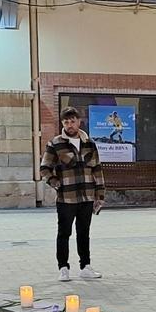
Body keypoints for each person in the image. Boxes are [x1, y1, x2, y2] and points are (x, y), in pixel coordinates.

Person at [39, 107, 106, 282]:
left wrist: (100, 195)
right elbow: (44, 168)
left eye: (72, 121)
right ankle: (63, 268)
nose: (70, 125)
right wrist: (54, 182)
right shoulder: (55, 144)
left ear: (79, 122)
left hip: (87, 196)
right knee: (64, 233)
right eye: (66, 122)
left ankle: (85, 266)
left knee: (84, 233)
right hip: (66, 197)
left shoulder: (89, 143)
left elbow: (97, 169)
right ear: (62, 124)